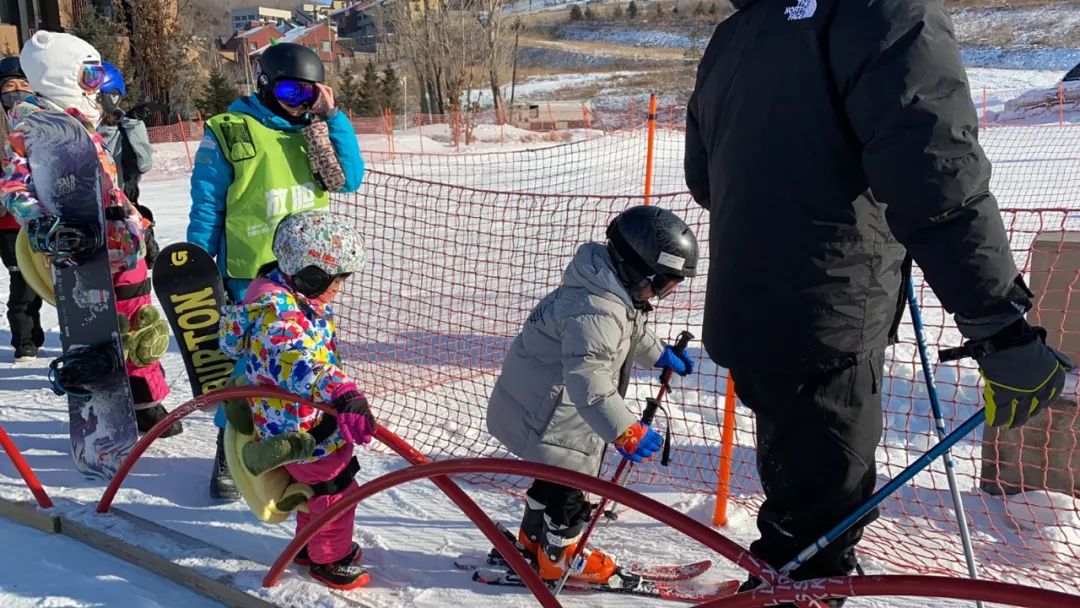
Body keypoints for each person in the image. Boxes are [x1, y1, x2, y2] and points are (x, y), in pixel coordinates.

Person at [684, 1, 1073, 602]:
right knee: (814, 542)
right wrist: (999, 328)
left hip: (753, 314)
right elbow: (935, 175)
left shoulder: (739, 30)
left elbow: (703, 178)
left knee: (801, 516)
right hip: (830, 319)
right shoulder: (885, 13)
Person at [188, 42, 364, 500]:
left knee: (312, 363)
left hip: (311, 275)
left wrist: (332, 115)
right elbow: (207, 202)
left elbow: (351, 178)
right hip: (254, 272)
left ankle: (304, 451)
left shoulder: (316, 131)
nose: (297, 102)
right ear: (264, 84)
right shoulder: (231, 129)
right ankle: (230, 450)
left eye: (307, 93)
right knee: (253, 367)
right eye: (288, 89)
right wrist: (198, 264)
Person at [486, 205, 698, 585]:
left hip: (545, 415)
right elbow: (589, 379)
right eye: (664, 285)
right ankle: (559, 559)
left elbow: (629, 330)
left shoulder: (605, 289)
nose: (662, 295)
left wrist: (659, 352)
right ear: (640, 270)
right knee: (572, 492)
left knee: (551, 480)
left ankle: (532, 540)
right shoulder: (597, 308)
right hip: (555, 422)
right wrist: (625, 429)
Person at [1, 31, 182, 437]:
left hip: (122, 247)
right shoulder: (34, 130)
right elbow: (15, 186)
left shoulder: (80, 125)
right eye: (89, 76)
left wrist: (139, 225)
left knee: (140, 326)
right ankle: (105, 405)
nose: (96, 89)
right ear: (61, 76)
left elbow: (110, 189)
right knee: (102, 332)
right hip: (85, 254)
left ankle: (145, 401)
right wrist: (42, 225)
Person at [218, 211, 374, 590]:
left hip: (301, 419)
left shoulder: (285, 296)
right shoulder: (279, 317)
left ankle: (310, 546)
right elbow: (301, 364)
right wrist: (343, 391)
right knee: (335, 491)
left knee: (319, 490)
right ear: (309, 275)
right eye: (335, 279)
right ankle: (329, 558)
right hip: (302, 428)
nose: (340, 287)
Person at [0, 56, 44, 362]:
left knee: (48, 278)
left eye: (24, 85)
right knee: (22, 278)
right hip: (7, 220)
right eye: (10, 86)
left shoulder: (43, 120)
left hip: (41, 215)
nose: (17, 91)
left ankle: (49, 334)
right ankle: (25, 338)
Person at [96, 62, 157, 267]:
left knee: (129, 280)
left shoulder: (124, 127)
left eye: (96, 98)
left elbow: (143, 163)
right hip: (89, 214)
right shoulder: (77, 126)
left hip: (123, 211)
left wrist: (133, 124)